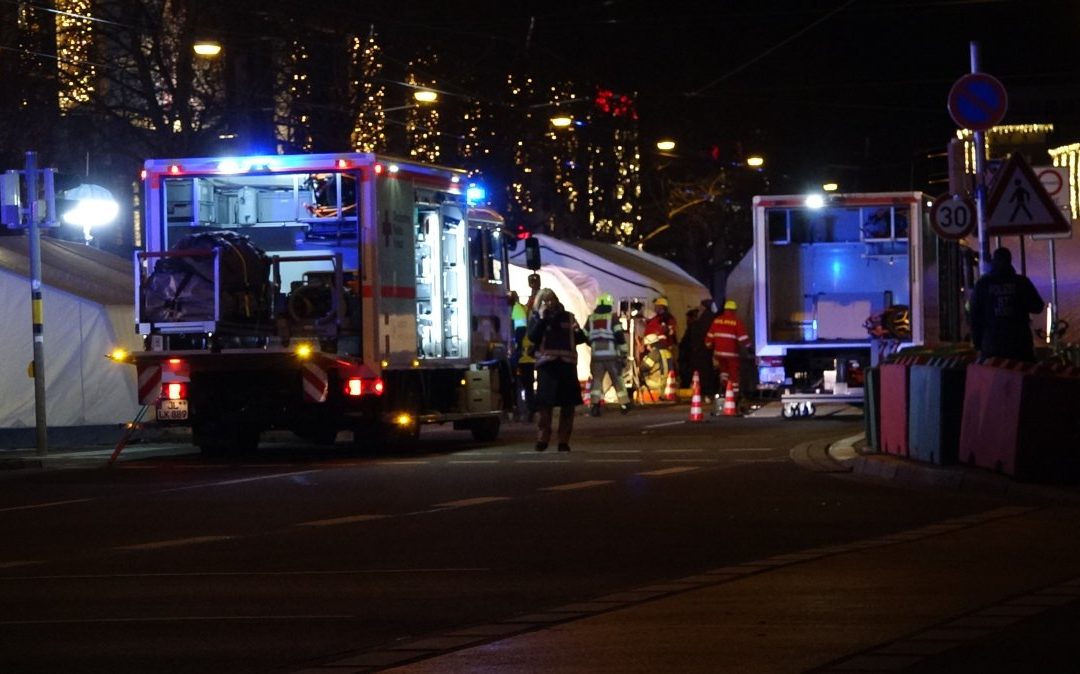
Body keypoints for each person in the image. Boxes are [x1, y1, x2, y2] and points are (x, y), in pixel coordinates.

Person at [526, 288, 587, 451]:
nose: (549, 303)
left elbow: (580, 337)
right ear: (539, 303)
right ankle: (543, 438)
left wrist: (577, 332)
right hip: (547, 367)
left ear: (557, 300)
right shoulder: (536, 318)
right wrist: (542, 320)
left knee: (568, 406)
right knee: (545, 406)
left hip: (567, 365)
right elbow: (532, 336)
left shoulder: (568, 317)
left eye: (551, 299)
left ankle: (563, 441)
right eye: (544, 301)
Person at [969, 247, 1045, 362]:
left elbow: (974, 316)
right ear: (1009, 261)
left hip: (992, 345)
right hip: (1019, 345)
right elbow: (1038, 306)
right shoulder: (1021, 283)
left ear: (994, 261)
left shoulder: (983, 284)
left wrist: (978, 343)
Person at [584, 292, 632, 416]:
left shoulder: (591, 318)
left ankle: (595, 406)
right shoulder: (612, 318)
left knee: (597, 382)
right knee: (617, 380)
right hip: (612, 356)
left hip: (596, 356)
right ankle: (624, 404)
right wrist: (624, 354)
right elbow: (619, 337)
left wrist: (593, 344)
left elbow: (584, 335)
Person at [705, 299, 750, 411]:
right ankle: (734, 396)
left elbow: (709, 337)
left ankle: (724, 391)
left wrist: (709, 346)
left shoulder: (717, 320)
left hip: (719, 353)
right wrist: (750, 347)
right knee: (734, 375)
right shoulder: (736, 321)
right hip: (731, 354)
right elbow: (743, 338)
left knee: (724, 373)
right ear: (734, 310)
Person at [509, 288, 536, 422]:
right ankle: (525, 410)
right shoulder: (517, 309)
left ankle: (529, 410)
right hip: (524, 355)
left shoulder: (517, 309)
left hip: (524, 356)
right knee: (523, 385)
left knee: (526, 386)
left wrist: (517, 348)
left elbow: (520, 329)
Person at [682, 298, 718, 398]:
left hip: (701, 350)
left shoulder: (703, 320)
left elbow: (698, 336)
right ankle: (707, 391)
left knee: (703, 372)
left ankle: (705, 391)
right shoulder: (711, 317)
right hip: (705, 350)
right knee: (706, 371)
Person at [643, 296, 678, 386]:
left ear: (661, 307)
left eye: (656, 306)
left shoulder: (667, 320)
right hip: (657, 347)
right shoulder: (658, 319)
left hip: (661, 348)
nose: (655, 308)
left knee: (661, 367)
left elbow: (669, 332)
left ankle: (664, 384)